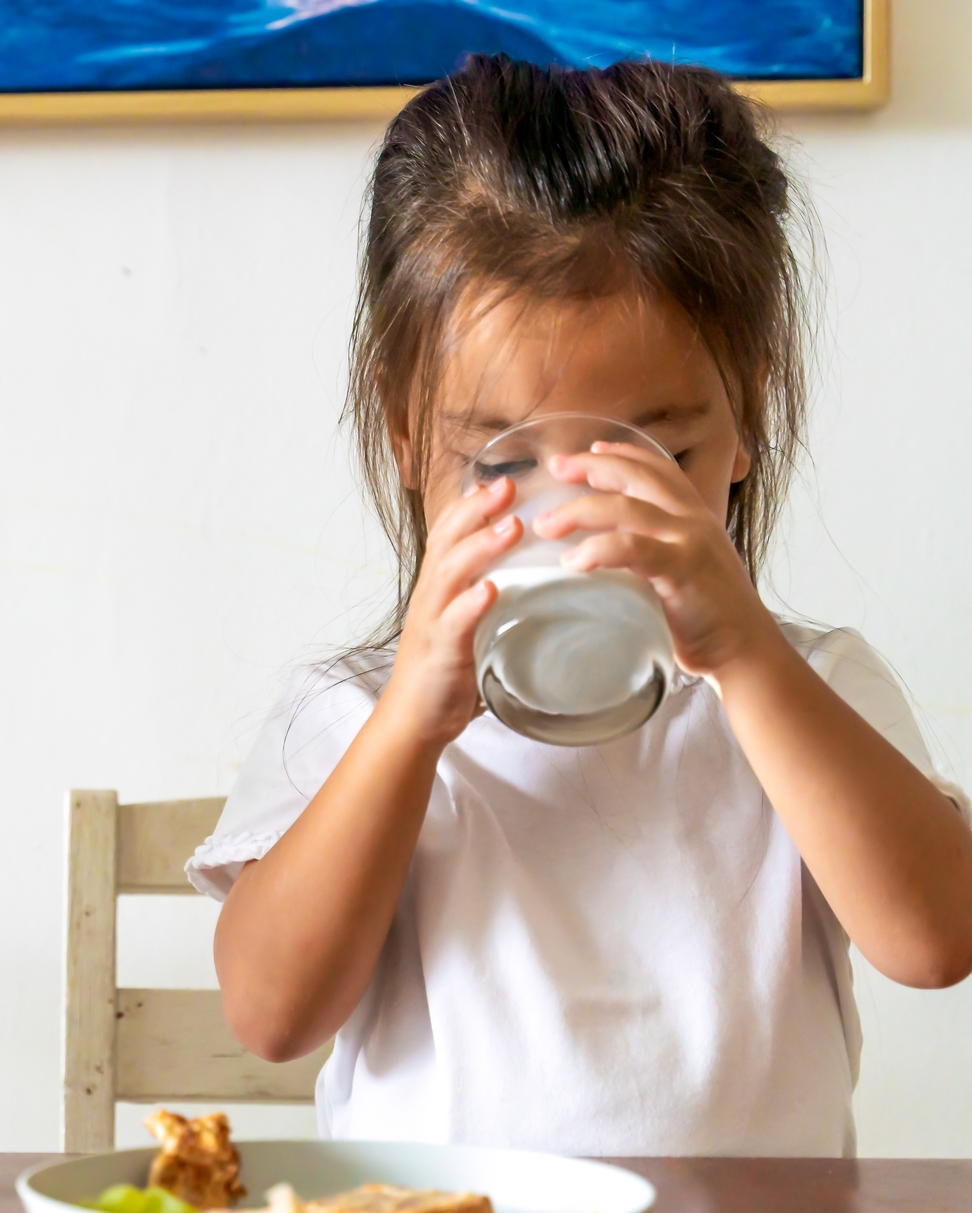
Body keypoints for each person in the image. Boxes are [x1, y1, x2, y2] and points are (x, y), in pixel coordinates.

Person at [195, 57, 972, 1157]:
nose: (574, 518)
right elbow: (269, 1015)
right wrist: (407, 722)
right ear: (405, 431)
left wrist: (744, 654)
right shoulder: (349, 716)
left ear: (747, 408)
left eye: (649, 453)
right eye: (499, 461)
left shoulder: (805, 688)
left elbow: (934, 941)